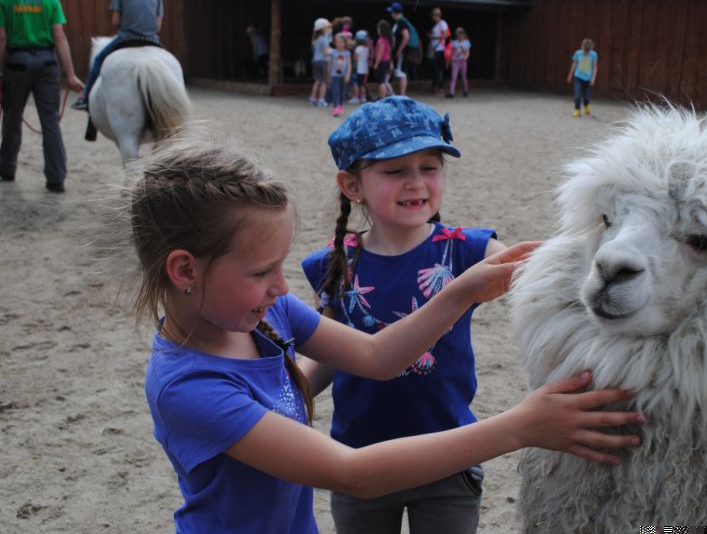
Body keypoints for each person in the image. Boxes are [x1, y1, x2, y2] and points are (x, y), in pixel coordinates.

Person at [133, 137, 645, 533]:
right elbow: (352, 473)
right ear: (185, 270)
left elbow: (377, 355)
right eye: (261, 271)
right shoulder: (190, 388)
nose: (282, 286)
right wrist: (520, 427)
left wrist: (463, 290)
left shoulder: (269, 312)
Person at [297, 96, 640, 533]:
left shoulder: (468, 250)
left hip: (451, 456)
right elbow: (331, 352)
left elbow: (553, 279)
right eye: (395, 171)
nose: (416, 183)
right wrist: (288, 393)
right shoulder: (335, 263)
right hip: (361, 460)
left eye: (429, 167)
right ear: (352, 185)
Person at [0, 0, 84, 192]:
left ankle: (7, 168)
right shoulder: (51, 0)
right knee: (50, 121)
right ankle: (56, 178)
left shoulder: (5, 0)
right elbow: (59, 37)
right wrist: (71, 75)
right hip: (46, 63)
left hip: (17, 64)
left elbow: (2, 38)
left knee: (12, 118)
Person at [71, 0, 163, 111]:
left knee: (98, 60)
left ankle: (85, 97)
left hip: (127, 38)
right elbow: (158, 26)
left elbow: (115, 21)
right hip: (151, 40)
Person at [387, 2, 420, 96]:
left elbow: (406, 36)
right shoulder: (402, 22)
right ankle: (401, 94)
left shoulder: (401, 23)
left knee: (401, 72)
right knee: (400, 71)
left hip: (404, 52)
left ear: (394, 13)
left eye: (392, 12)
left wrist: (399, 50)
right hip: (405, 51)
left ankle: (402, 95)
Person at [566, 38, 598, 117]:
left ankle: (586, 106)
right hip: (578, 77)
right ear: (582, 47)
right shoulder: (577, 53)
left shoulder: (594, 55)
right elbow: (574, 64)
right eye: (584, 51)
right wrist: (570, 75)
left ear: (591, 49)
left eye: (587, 51)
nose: (585, 53)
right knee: (577, 95)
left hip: (588, 79)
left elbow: (595, 67)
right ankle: (577, 110)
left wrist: (593, 78)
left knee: (586, 97)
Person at [310, 18, 332, 107]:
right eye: (327, 27)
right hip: (323, 61)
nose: (328, 29)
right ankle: (321, 99)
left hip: (315, 61)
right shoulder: (324, 38)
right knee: (324, 81)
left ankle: (313, 98)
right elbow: (326, 52)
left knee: (317, 80)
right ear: (322, 28)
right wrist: (333, 52)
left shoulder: (315, 39)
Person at [328, 33, 351, 117]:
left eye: (341, 42)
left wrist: (348, 75)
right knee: (336, 91)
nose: (339, 44)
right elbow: (330, 64)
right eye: (337, 42)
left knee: (342, 91)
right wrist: (329, 75)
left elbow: (349, 65)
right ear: (335, 43)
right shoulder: (333, 53)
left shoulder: (347, 53)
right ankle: (335, 107)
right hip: (334, 75)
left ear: (345, 43)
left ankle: (341, 105)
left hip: (343, 75)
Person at [428, 7, 449, 94]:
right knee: (434, 69)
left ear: (438, 16)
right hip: (434, 49)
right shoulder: (435, 25)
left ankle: (439, 87)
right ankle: (435, 86)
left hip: (439, 49)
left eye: (434, 16)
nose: (433, 17)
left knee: (438, 69)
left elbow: (445, 35)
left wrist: (432, 37)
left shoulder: (442, 23)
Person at [447, 27, 470, 98]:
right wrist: (450, 59)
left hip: (463, 61)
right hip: (455, 61)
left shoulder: (466, 42)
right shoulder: (454, 42)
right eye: (458, 34)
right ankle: (451, 92)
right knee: (454, 77)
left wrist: (466, 57)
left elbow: (468, 52)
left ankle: (465, 90)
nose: (460, 36)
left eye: (461, 34)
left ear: (464, 34)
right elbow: (450, 51)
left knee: (464, 77)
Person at [373, 19, 393, 99]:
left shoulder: (381, 40)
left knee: (381, 81)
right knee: (383, 80)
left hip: (382, 62)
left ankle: (382, 97)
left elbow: (380, 53)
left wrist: (376, 64)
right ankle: (382, 95)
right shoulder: (388, 40)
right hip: (387, 61)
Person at [353, 30, 370, 104]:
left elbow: (356, 59)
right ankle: (363, 98)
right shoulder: (367, 48)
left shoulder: (358, 48)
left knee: (356, 84)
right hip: (365, 69)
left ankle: (356, 97)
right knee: (362, 84)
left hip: (358, 69)